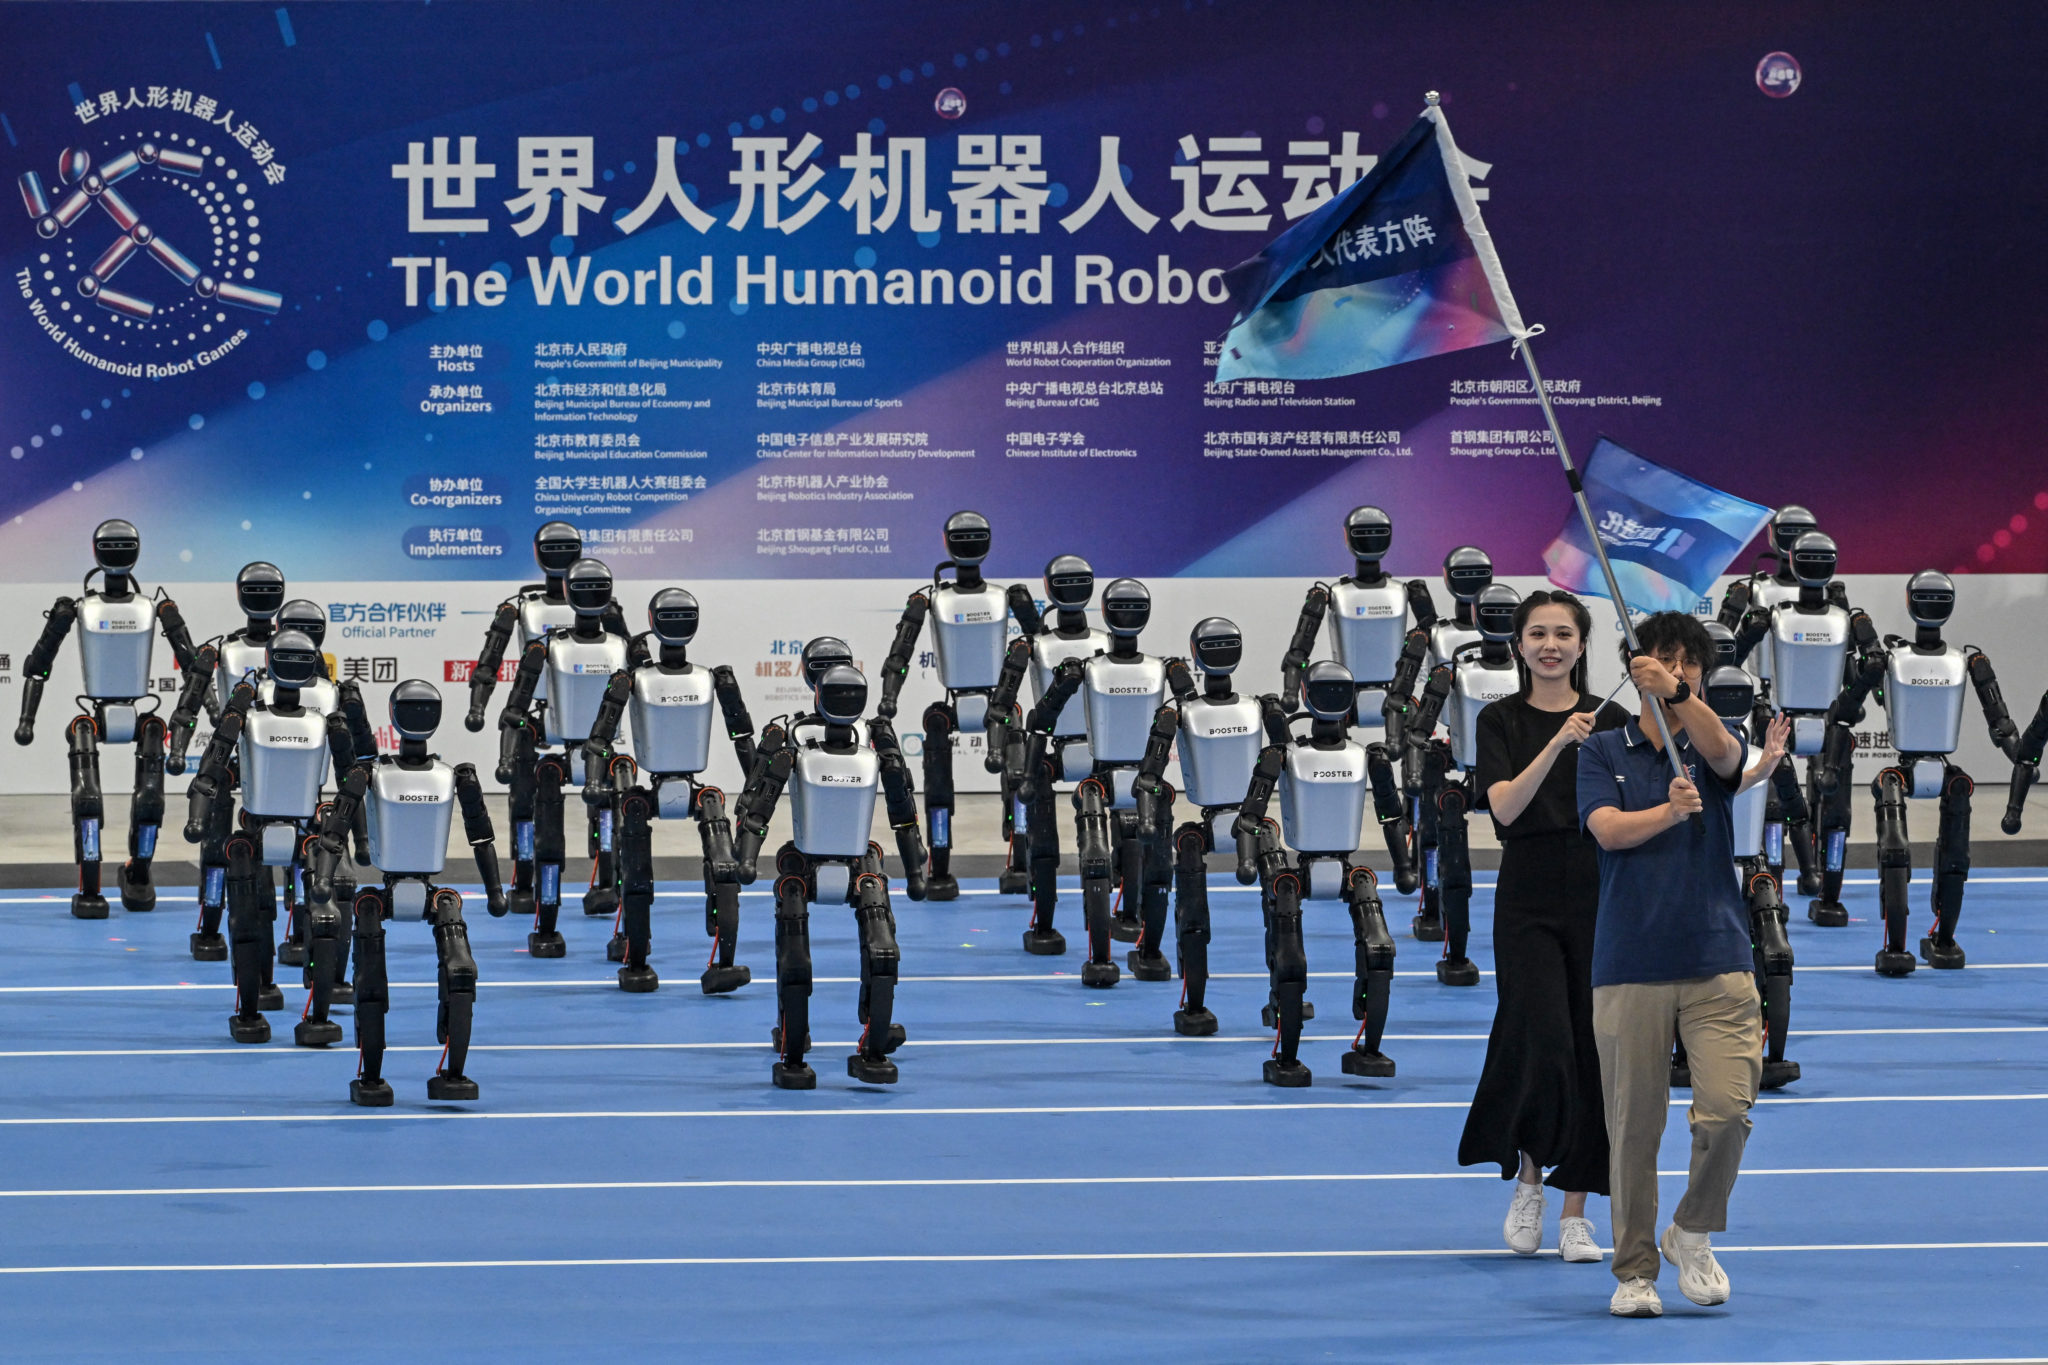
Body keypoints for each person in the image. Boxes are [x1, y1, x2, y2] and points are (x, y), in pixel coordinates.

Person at [1576, 612, 1756, 1318]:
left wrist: (1678, 695)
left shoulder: (1710, 737)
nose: (1677, 669)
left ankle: (1692, 1230)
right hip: (1630, 961)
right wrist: (1668, 814)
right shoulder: (1603, 747)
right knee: (1633, 1128)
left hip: (1718, 958)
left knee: (1728, 1112)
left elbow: (1729, 757)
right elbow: (1606, 830)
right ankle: (1633, 1269)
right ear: (1635, 665)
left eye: (1690, 662)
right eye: (1663, 658)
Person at [1458, 590, 1630, 1264]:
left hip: (1597, 891)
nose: (1550, 645)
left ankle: (1576, 1211)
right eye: (1538, 633)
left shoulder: (1613, 718)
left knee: (1593, 1047)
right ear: (1520, 644)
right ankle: (1529, 1179)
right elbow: (1504, 807)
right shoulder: (1499, 718)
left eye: (1563, 633)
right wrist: (1559, 741)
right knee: (1542, 1039)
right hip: (1526, 894)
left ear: (1583, 644)